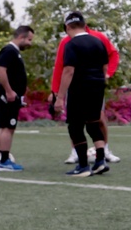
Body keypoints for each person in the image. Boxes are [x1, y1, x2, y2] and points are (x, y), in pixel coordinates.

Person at [49, 20, 121, 164]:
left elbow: (67, 71)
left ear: (68, 27)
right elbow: (105, 66)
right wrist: (103, 79)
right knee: (94, 124)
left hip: (79, 88)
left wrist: (59, 96)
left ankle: (82, 164)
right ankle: (100, 160)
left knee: (75, 126)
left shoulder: (71, 44)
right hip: (97, 88)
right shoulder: (98, 41)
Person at [0, 25, 35, 172]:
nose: (30, 43)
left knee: (5, 126)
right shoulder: (9, 50)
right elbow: (1, 70)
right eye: (29, 40)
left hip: (12, 96)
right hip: (8, 96)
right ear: (21, 37)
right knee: (8, 127)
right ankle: (4, 161)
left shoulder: (14, 52)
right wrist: (9, 91)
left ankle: (2, 157)